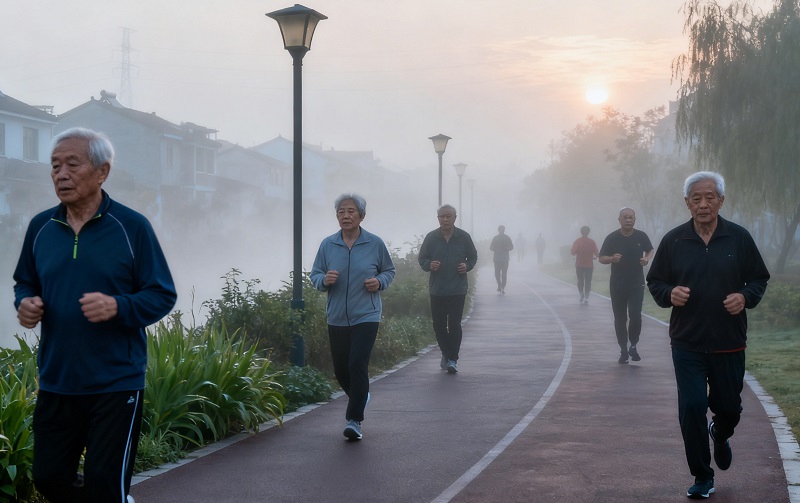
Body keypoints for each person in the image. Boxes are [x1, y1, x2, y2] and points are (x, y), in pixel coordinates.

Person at [13, 127, 177, 503]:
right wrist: (26, 302)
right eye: (55, 165)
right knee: (49, 478)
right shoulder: (41, 227)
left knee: (105, 485)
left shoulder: (132, 227)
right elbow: (25, 281)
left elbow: (162, 294)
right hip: (57, 379)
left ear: (102, 172)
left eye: (72, 164)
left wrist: (119, 306)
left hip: (116, 381)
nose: (61, 174)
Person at [647, 171, 769, 499]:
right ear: (687, 203)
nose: (703, 204)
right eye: (696, 198)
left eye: (709, 197)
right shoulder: (674, 241)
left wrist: (745, 296)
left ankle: (722, 431)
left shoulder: (739, 238)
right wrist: (668, 293)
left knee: (729, 408)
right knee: (691, 407)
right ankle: (702, 475)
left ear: (721, 201)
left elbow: (759, 278)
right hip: (686, 341)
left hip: (729, 341)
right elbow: (655, 281)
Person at [310, 193, 395, 441]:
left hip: (367, 315)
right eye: (341, 212)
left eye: (350, 211)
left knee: (357, 363)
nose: (345, 216)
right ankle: (361, 395)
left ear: (361, 216)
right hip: (336, 316)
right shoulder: (328, 245)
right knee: (341, 370)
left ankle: (354, 420)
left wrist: (379, 282)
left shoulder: (374, 243)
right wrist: (324, 280)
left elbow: (389, 270)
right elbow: (315, 274)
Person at [418, 204, 478, 374]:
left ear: (454, 218)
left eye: (448, 216)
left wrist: (467, 266)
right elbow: (422, 259)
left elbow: (473, 256)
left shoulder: (463, 237)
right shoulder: (431, 238)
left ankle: (452, 359)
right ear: (438, 218)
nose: (445, 219)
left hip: (458, 288)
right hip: (437, 289)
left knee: (454, 324)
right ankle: (446, 352)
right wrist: (429, 265)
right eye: (442, 216)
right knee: (438, 325)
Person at [598, 207, 654, 363]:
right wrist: (611, 259)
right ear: (619, 220)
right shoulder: (612, 238)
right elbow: (601, 258)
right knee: (620, 318)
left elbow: (650, 250)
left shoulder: (641, 236)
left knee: (635, 315)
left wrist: (646, 259)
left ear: (635, 220)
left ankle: (633, 345)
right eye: (625, 217)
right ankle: (623, 349)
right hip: (617, 285)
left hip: (636, 283)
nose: (628, 220)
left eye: (631, 217)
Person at [570, 225, 599, 305]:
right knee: (588, 281)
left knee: (580, 281)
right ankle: (586, 297)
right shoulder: (592, 242)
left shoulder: (577, 241)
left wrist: (576, 253)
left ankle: (581, 294)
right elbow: (596, 252)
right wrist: (595, 257)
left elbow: (573, 252)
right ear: (589, 232)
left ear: (581, 232)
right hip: (589, 265)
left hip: (579, 264)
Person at [490, 225, 514, 294]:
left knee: (504, 274)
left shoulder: (507, 238)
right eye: (500, 229)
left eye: (502, 229)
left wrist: (507, 248)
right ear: (498, 230)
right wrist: (494, 248)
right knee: (496, 274)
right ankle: (499, 285)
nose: (501, 230)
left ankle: (503, 287)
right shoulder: (495, 238)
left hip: (505, 259)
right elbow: (491, 247)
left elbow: (512, 247)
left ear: (504, 230)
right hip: (497, 259)